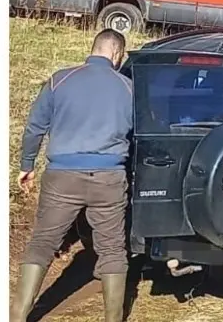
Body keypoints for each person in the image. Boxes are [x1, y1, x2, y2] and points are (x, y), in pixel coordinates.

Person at [12, 29, 133, 322]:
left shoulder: (59, 79)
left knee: (42, 244)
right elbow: (135, 132)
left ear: (94, 49)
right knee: (113, 251)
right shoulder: (128, 87)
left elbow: (34, 128)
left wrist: (26, 165)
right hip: (108, 178)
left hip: (62, 176)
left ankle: (17, 315)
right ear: (116, 54)